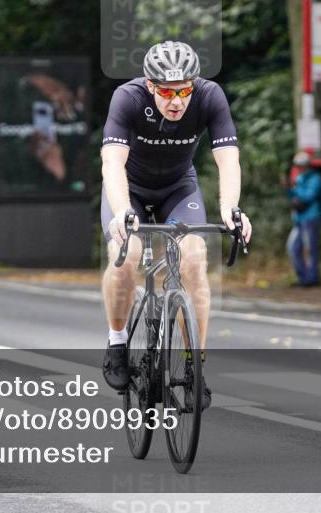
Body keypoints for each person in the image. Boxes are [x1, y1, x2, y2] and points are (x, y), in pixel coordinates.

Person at [99, 40, 252, 410]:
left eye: (184, 90)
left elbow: (228, 160)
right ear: (151, 86)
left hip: (178, 188)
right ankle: (118, 341)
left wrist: (232, 209)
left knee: (195, 257)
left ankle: (193, 365)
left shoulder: (210, 96)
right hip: (129, 189)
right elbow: (112, 163)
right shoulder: (128, 97)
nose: (177, 101)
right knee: (127, 255)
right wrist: (121, 212)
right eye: (167, 92)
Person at [286, 150, 321, 287]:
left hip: (311, 217)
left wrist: (295, 190)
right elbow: (293, 197)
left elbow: (308, 196)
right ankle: (303, 277)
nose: (298, 168)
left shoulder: (315, 178)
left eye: (300, 165)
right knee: (293, 247)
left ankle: (312, 279)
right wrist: (289, 188)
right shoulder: (299, 178)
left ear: (306, 165)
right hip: (299, 219)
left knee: (309, 249)